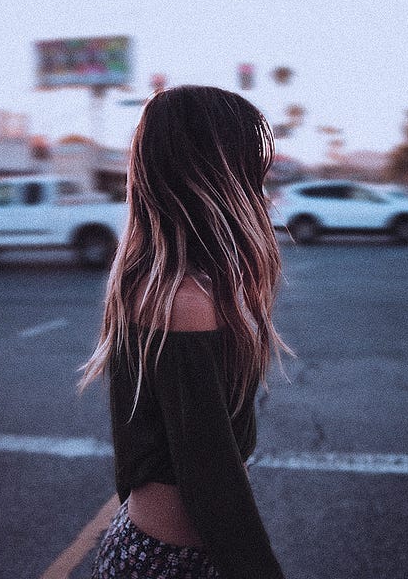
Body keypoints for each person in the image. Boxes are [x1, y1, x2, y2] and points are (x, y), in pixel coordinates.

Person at [79, 85, 290, 578]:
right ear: (214, 177)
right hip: (174, 562)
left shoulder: (163, 282)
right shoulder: (182, 301)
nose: (260, 182)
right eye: (249, 167)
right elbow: (212, 483)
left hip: (151, 547)